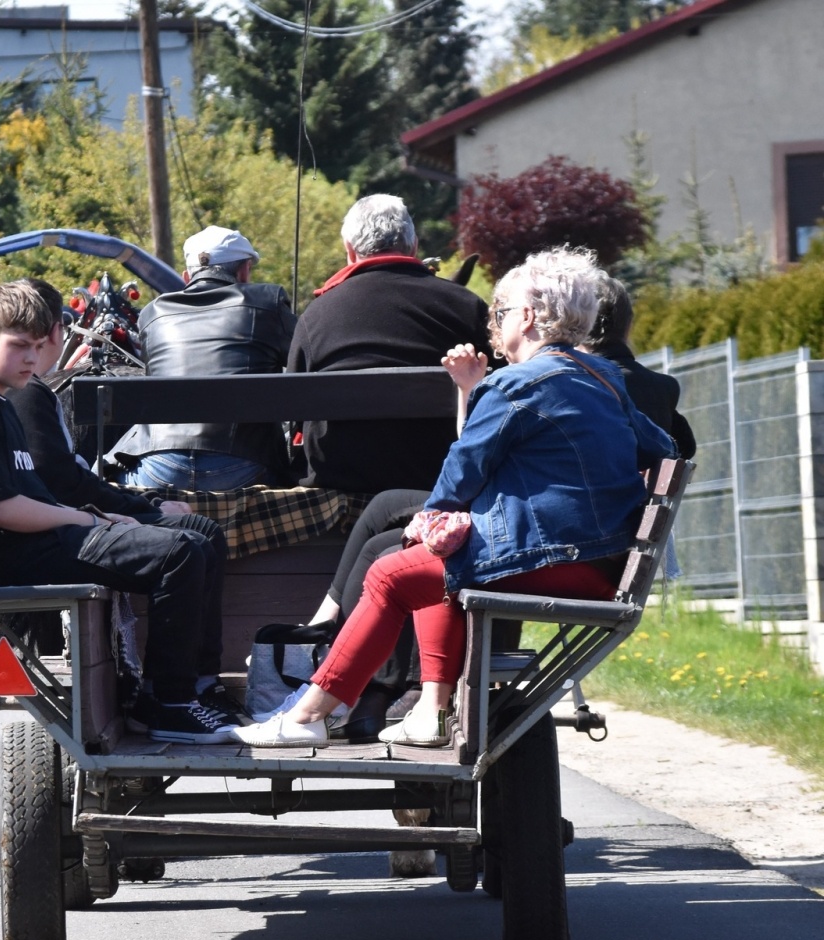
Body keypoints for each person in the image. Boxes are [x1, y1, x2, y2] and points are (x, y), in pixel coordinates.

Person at [237, 247, 676, 748]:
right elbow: (663, 449)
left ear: (528, 317)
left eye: (501, 312)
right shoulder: (604, 378)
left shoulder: (517, 384)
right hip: (600, 560)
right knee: (437, 555)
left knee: (390, 574)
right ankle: (429, 711)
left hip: (556, 559)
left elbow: (462, 468)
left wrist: (430, 516)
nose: (496, 324)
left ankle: (307, 717)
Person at [0, 280, 235, 743]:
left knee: (195, 537)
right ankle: (166, 703)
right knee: (179, 553)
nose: (32, 358)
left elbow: (31, 495)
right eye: (20, 347)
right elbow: (2, 510)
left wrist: (105, 517)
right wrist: (91, 520)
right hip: (23, 555)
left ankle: (191, 689)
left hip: (43, 541)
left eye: (37, 346)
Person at [9, 279, 245, 722]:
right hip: (61, 531)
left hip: (67, 521)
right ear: (58, 334)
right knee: (183, 549)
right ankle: (167, 697)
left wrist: (142, 506)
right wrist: (144, 511)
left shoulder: (33, 391)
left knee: (205, 532)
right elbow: (65, 481)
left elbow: (70, 478)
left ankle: (200, 682)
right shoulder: (29, 394)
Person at [289, 195, 490, 494]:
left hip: (343, 482)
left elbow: (294, 409)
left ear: (350, 250)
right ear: (414, 246)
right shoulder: (467, 306)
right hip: (441, 478)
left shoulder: (316, 315)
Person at [111, 226, 298, 491]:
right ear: (244, 270)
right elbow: (302, 360)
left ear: (187, 276)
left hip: (159, 471)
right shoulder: (267, 302)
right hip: (243, 468)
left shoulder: (153, 314)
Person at [589, 276, 697, 460]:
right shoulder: (663, 387)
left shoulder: (574, 385)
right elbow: (686, 448)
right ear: (629, 325)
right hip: (646, 489)